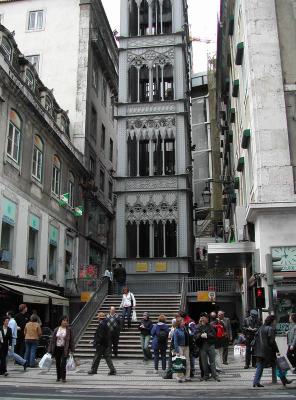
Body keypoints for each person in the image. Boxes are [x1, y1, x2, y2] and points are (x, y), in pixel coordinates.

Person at [253, 315, 292, 387]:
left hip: (259, 351)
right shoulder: (271, 329)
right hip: (268, 351)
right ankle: (284, 380)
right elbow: (272, 342)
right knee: (280, 366)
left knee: (260, 366)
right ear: (272, 321)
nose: (275, 322)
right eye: (275, 320)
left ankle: (255, 381)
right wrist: (277, 350)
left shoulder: (261, 328)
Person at [195, 312, 220, 382]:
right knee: (204, 362)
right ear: (202, 319)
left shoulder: (210, 326)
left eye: (207, 318)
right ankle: (206, 375)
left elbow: (214, 335)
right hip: (202, 346)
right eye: (205, 318)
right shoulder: (198, 326)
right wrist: (200, 335)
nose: (207, 319)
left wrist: (207, 335)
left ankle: (215, 375)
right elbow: (195, 335)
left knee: (212, 361)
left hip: (210, 345)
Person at [48, 316, 74, 383]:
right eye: (64, 320)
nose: (65, 322)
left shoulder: (69, 330)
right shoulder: (56, 329)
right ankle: (58, 377)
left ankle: (63, 377)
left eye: (66, 321)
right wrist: (49, 349)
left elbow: (71, 340)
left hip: (65, 349)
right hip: (57, 348)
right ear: (61, 321)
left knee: (63, 363)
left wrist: (72, 349)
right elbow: (52, 340)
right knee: (57, 363)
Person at [173, 316, 191, 382]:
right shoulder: (176, 330)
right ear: (179, 323)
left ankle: (187, 376)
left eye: (183, 321)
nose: (183, 322)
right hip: (180, 347)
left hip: (186, 346)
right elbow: (175, 341)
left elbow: (189, 335)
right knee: (180, 362)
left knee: (187, 361)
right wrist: (177, 350)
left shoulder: (185, 328)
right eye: (182, 321)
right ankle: (179, 377)